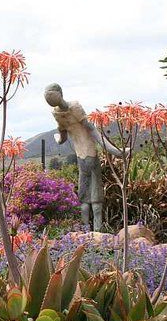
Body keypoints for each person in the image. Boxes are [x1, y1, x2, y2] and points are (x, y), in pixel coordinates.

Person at [44, 83, 121, 230]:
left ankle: (86, 232)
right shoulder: (74, 108)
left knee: (84, 197)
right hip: (89, 155)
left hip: (81, 157)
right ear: (60, 92)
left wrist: (56, 138)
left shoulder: (57, 114)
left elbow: (62, 138)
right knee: (95, 196)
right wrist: (114, 151)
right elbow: (92, 130)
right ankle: (97, 232)